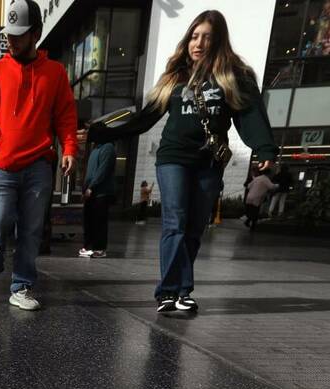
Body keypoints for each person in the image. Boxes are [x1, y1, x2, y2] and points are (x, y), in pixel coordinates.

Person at [90, 9, 276, 313]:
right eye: (194, 36)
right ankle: (171, 291)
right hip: (173, 158)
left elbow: (250, 116)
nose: (198, 43)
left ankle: (178, 290)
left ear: (218, 41)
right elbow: (145, 118)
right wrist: (101, 132)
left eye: (206, 37)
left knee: (194, 228)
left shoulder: (232, 76)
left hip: (209, 162)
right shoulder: (175, 76)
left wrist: (265, 150)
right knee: (174, 222)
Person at [0, 0, 78, 311]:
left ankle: (21, 286)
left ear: (36, 34)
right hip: (1, 165)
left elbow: (65, 116)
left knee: (31, 230)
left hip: (38, 165)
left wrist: (69, 148)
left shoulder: (55, 73)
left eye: (18, 34)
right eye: (8, 34)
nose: (11, 40)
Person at [79, 124, 115, 258]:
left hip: (101, 193)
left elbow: (102, 171)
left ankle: (99, 248)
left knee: (99, 221)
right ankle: (88, 246)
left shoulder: (108, 148)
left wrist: (91, 187)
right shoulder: (96, 149)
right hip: (91, 191)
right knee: (89, 220)